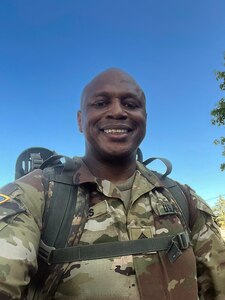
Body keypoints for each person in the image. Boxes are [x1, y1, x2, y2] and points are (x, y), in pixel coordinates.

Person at [0, 68, 225, 300]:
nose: (117, 111)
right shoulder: (36, 194)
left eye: (130, 104)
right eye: (100, 103)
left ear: (145, 119)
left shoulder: (182, 198)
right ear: (80, 120)